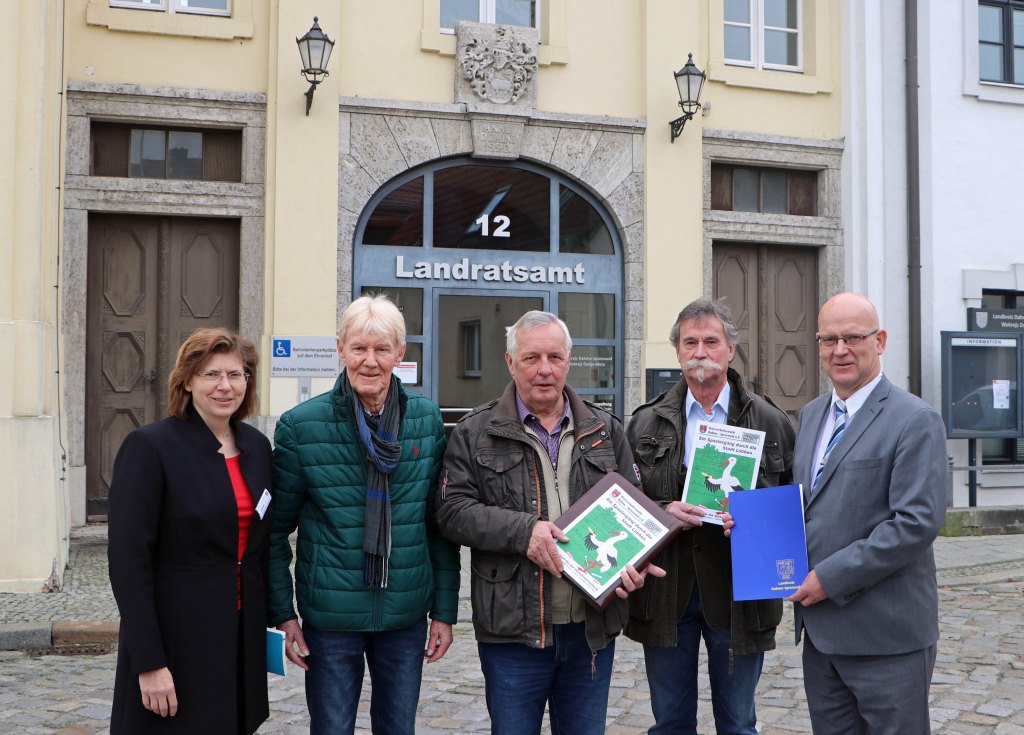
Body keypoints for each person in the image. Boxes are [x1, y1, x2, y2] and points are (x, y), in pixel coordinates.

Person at [436, 310, 664, 735]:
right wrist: (524, 531)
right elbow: (452, 512)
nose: (544, 369)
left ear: (568, 362)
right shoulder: (475, 430)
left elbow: (637, 507)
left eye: (555, 357)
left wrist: (633, 564)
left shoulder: (604, 428)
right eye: (531, 358)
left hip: (590, 630)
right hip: (514, 633)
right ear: (510, 362)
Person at [268, 294, 459, 735]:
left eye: (381, 349)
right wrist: (283, 614)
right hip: (330, 618)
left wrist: (444, 611)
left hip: (404, 614)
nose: (369, 361)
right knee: (332, 728)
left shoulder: (427, 420)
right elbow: (276, 532)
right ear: (340, 350)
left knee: (398, 728)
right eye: (358, 348)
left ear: (400, 353)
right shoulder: (302, 426)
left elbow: (439, 525)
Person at [624, 298, 795, 735]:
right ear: (679, 352)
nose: (700, 351)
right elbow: (623, 504)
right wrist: (663, 512)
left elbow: (795, 511)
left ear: (730, 350)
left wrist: (754, 519)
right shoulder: (644, 424)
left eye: (711, 341)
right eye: (690, 342)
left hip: (739, 592)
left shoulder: (771, 422)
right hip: (667, 592)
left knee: (738, 724)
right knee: (670, 723)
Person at [789, 292, 949, 734]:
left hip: (887, 639)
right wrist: (748, 526)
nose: (839, 350)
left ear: (879, 341)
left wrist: (830, 577)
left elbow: (915, 523)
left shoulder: (915, 419)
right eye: (828, 339)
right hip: (822, 638)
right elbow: (805, 505)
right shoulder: (811, 415)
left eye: (853, 338)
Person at [108, 328, 272, 734]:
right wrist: (149, 662)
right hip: (177, 641)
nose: (225, 386)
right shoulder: (150, 447)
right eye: (211, 375)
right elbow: (129, 563)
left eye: (235, 375)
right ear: (187, 380)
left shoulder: (257, 447)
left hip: (238, 638)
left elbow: (258, 548)